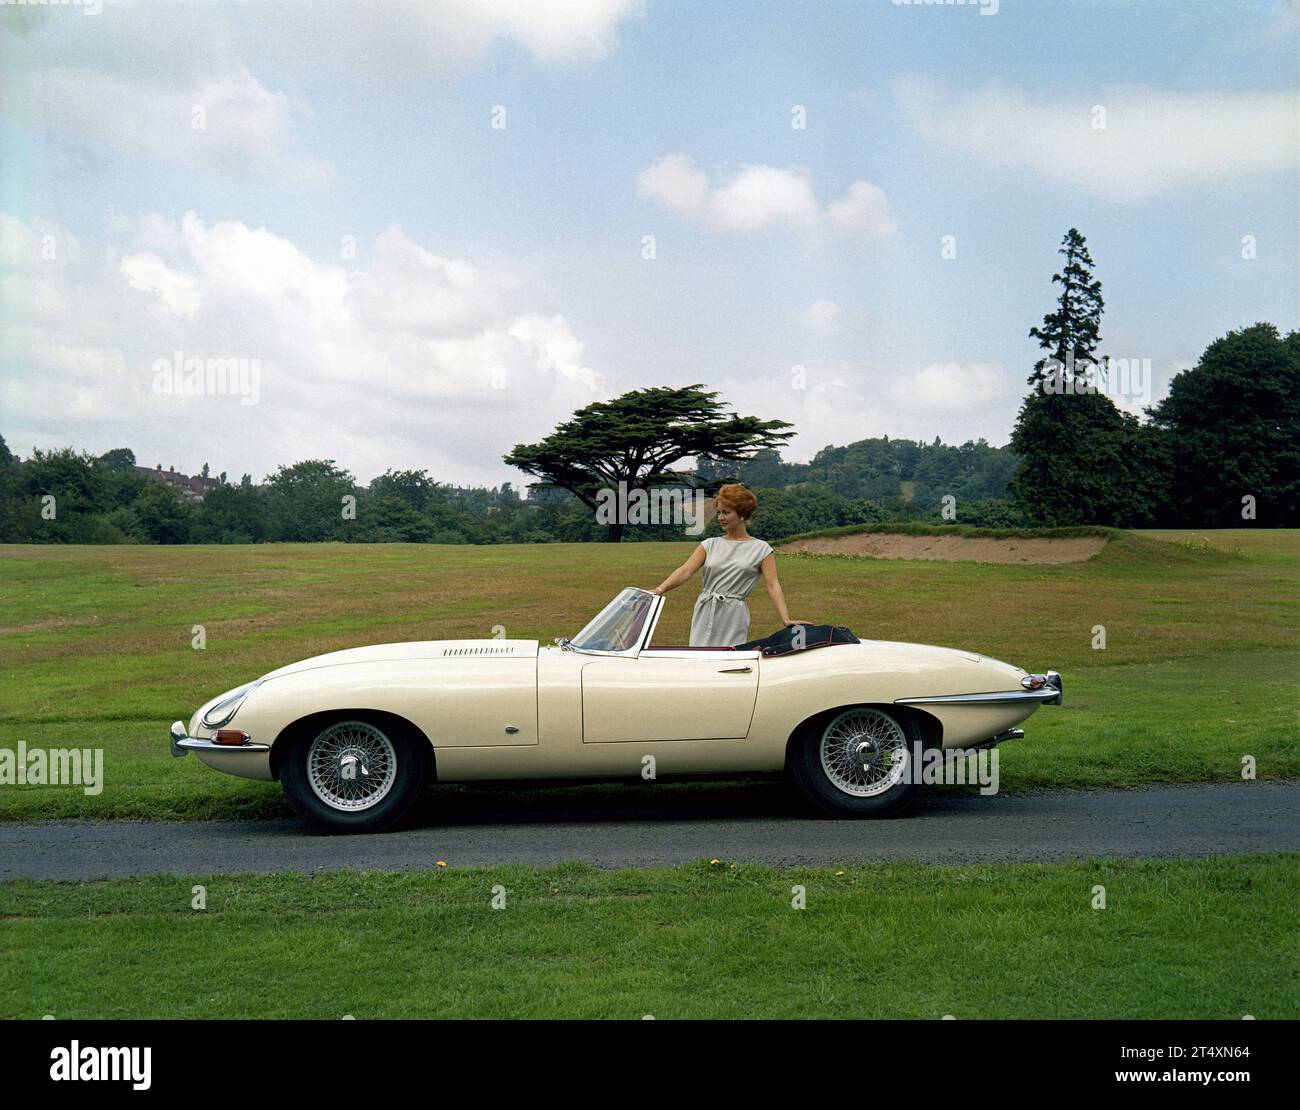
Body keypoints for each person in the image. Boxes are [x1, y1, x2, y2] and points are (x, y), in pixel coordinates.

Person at [651, 483, 807, 647]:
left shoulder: (761, 549)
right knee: (699, 658)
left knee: (728, 660)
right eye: (719, 512)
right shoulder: (709, 544)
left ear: (742, 515)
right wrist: (660, 589)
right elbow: (685, 570)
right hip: (705, 610)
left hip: (734, 615)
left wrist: (785, 618)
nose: (720, 517)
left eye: (726, 512)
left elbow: (773, 585)